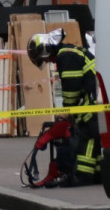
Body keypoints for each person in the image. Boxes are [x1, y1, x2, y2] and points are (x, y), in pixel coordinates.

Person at [28, 28, 101, 186]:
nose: (46, 62)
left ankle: (84, 176)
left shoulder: (65, 56)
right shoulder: (67, 54)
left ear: (46, 49)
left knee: (86, 136)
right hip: (95, 101)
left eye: (44, 58)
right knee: (93, 138)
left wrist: (67, 111)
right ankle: (99, 174)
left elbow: (71, 89)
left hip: (93, 104)